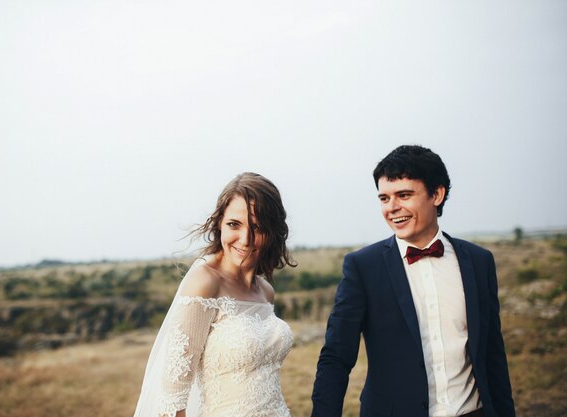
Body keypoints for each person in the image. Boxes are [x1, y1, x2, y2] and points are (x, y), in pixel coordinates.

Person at [311, 145, 516, 417]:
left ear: (437, 194)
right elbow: (336, 357)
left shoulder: (479, 262)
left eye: (404, 195)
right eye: (384, 198)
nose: (392, 208)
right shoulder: (362, 267)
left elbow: (492, 354)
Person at [133, 172, 296, 417]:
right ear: (219, 222)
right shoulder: (205, 282)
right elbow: (172, 398)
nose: (245, 239)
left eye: (258, 227)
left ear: (273, 232)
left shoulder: (266, 291)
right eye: (234, 224)